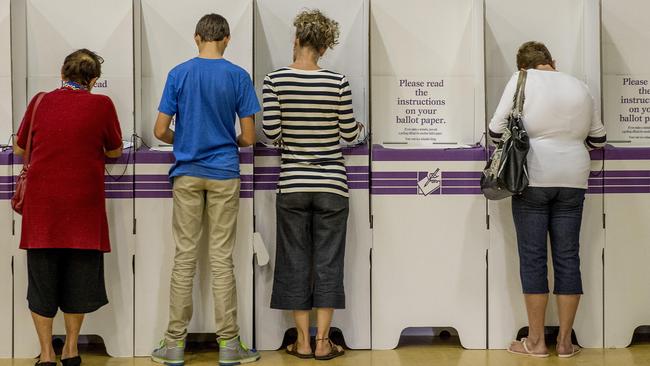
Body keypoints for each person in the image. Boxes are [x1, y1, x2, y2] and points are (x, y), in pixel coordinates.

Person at [149, 13, 260, 366]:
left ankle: (174, 345)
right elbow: (248, 137)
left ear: (197, 38)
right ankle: (229, 345)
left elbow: (159, 130)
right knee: (221, 259)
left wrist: (184, 138)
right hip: (225, 172)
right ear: (226, 39)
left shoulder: (179, 74)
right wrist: (225, 140)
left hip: (186, 174)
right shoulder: (239, 76)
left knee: (184, 258)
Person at [489, 41, 606, 358]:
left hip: (533, 179)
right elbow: (598, 138)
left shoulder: (521, 80)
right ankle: (566, 342)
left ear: (522, 66)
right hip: (573, 180)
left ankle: (536, 342)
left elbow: (495, 129)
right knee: (569, 257)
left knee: (533, 258)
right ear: (552, 61)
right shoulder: (579, 85)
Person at [14, 49, 123, 366]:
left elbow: (21, 147)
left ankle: (46, 354)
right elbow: (114, 151)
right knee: (80, 278)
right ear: (93, 80)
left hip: (42, 209)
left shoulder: (40, 102)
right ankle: (72, 349)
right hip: (84, 209)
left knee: (42, 282)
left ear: (62, 73)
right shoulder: (102, 104)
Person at [262, 9, 361, 361]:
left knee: (293, 262)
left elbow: (271, 134)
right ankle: (323, 343)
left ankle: (301, 341)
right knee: (328, 264)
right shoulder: (338, 82)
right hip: (333, 185)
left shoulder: (275, 80)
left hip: (292, 185)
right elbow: (350, 133)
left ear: (298, 40)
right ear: (323, 47)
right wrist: (360, 129)